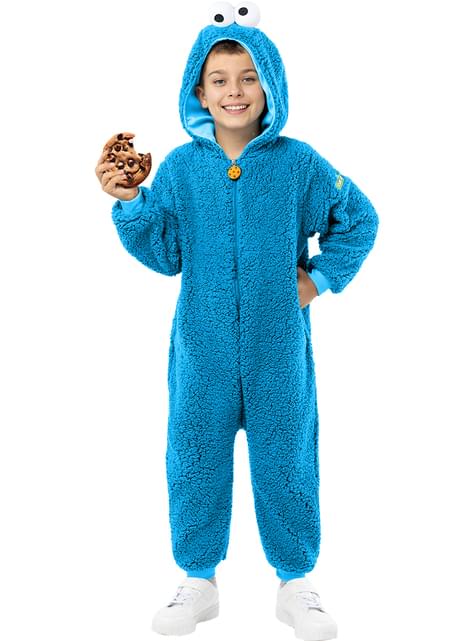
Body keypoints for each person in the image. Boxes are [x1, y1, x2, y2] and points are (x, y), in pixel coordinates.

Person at [95, 3, 378, 639]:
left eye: (249, 77)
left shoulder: (299, 163)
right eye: (219, 79)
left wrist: (318, 279)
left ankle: (295, 582)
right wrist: (132, 203)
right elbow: (165, 254)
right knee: (194, 453)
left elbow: (359, 218)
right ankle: (198, 580)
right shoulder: (179, 167)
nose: (235, 91)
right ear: (198, 91)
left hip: (279, 348)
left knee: (288, 453)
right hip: (202, 347)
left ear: (269, 84)